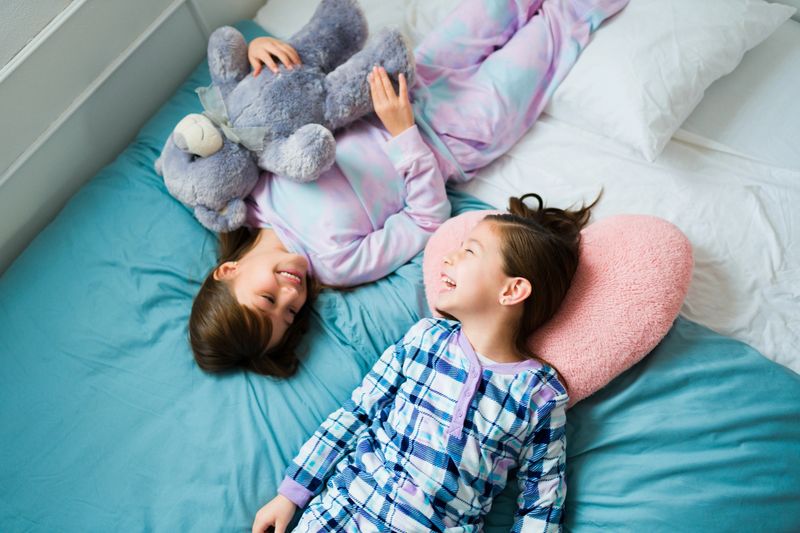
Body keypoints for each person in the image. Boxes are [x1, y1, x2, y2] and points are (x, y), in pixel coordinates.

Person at [189, 0, 630, 377]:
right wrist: (404, 135)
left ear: (227, 272)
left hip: (404, 78)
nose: (291, 295)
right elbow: (427, 219)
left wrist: (256, 53)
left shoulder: (248, 195)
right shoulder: (336, 263)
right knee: (560, 26)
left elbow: (253, 112)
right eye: (288, 315)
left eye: (268, 298)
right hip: (454, 134)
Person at [251, 192, 597, 532]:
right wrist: (291, 494)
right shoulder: (424, 339)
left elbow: (542, 499)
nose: (449, 257)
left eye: (469, 251)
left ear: (511, 291)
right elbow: (356, 413)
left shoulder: (539, 395)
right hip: (342, 513)